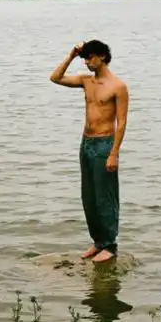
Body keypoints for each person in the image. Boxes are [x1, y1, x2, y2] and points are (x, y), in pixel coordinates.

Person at [49, 40, 129, 262]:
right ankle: (98, 241)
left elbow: (121, 122)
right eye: (84, 58)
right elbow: (55, 78)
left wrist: (114, 153)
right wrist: (71, 55)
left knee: (105, 196)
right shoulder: (86, 81)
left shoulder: (118, 86)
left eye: (90, 57)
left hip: (105, 144)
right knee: (89, 196)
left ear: (102, 56)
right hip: (86, 143)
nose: (86, 62)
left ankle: (110, 245)